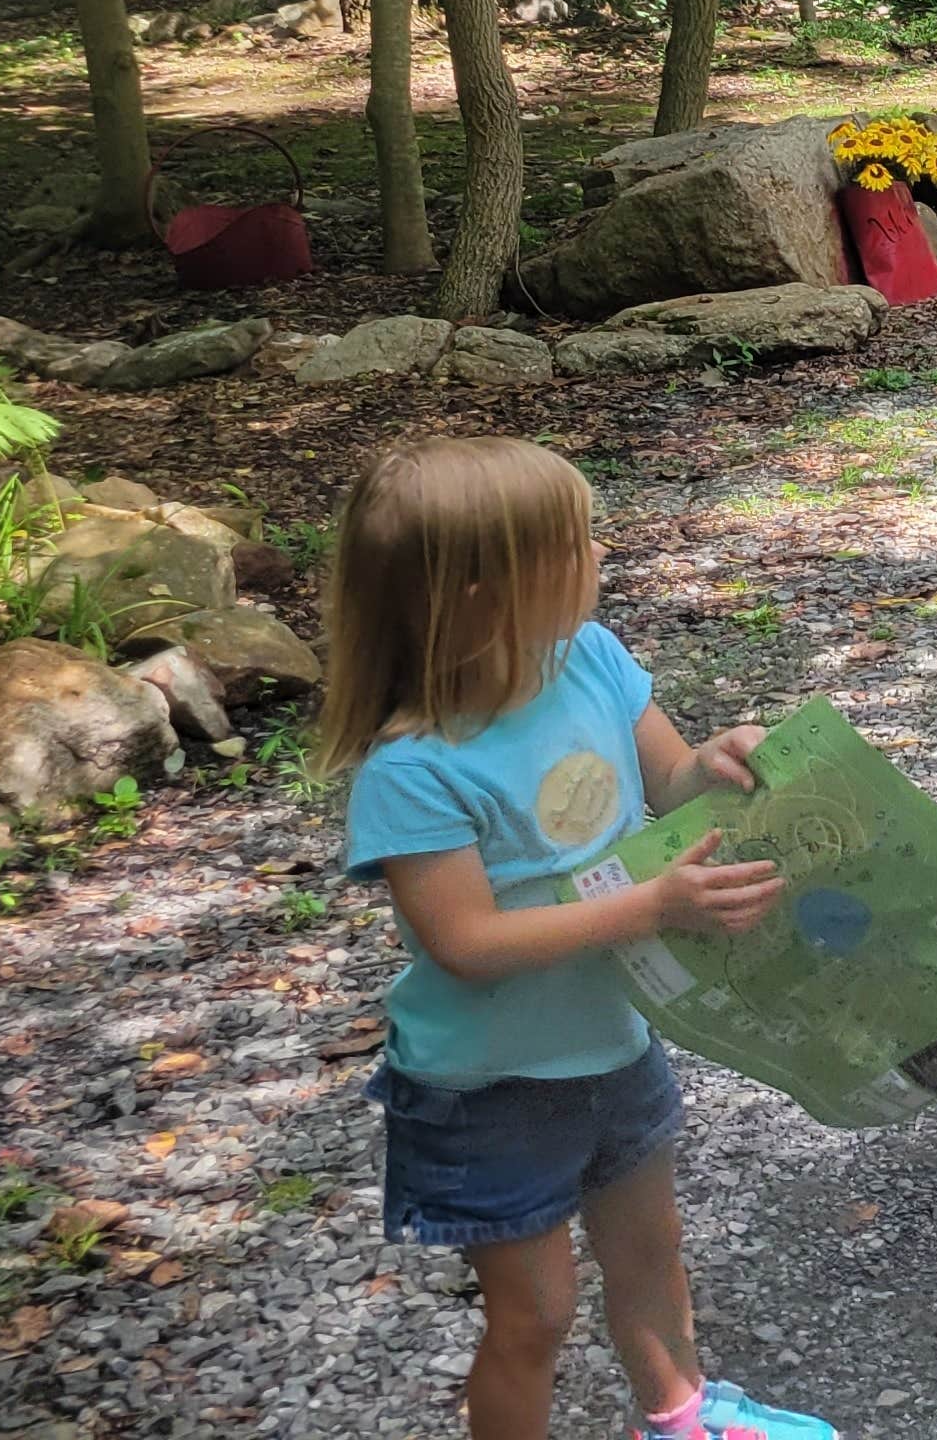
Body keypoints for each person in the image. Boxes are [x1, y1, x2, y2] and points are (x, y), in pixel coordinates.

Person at [314, 436, 831, 1440]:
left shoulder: (589, 660)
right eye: (575, 541)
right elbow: (465, 942)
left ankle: (680, 1419)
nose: (602, 551)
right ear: (484, 591)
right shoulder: (415, 769)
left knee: (650, 1252)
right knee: (535, 1315)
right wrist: (649, 910)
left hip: (615, 1038)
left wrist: (715, 764)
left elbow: (667, 785)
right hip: (488, 1090)